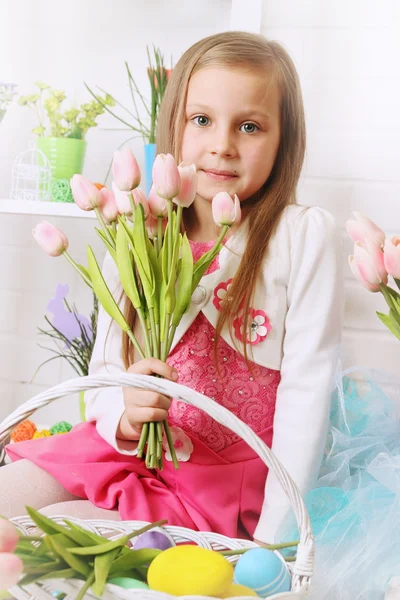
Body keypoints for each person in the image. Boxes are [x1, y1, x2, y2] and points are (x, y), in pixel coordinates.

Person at [0, 32, 342, 547]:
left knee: (49, 540)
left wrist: (276, 540)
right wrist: (126, 414)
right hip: (124, 453)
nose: (223, 144)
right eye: (201, 120)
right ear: (174, 126)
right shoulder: (141, 227)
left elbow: (306, 395)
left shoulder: (301, 237)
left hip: (214, 490)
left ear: (283, 140)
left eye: (249, 126)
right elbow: (104, 375)